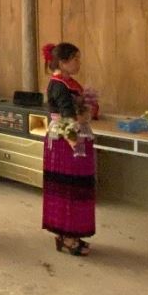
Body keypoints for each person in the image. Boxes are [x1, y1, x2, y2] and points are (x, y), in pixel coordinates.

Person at [41, 42, 99, 256]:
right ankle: (66, 237)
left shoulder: (69, 82)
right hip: (66, 140)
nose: (79, 63)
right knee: (68, 188)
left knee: (77, 188)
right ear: (63, 62)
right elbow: (68, 117)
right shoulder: (58, 85)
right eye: (75, 59)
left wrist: (88, 111)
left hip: (75, 134)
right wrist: (82, 118)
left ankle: (72, 233)